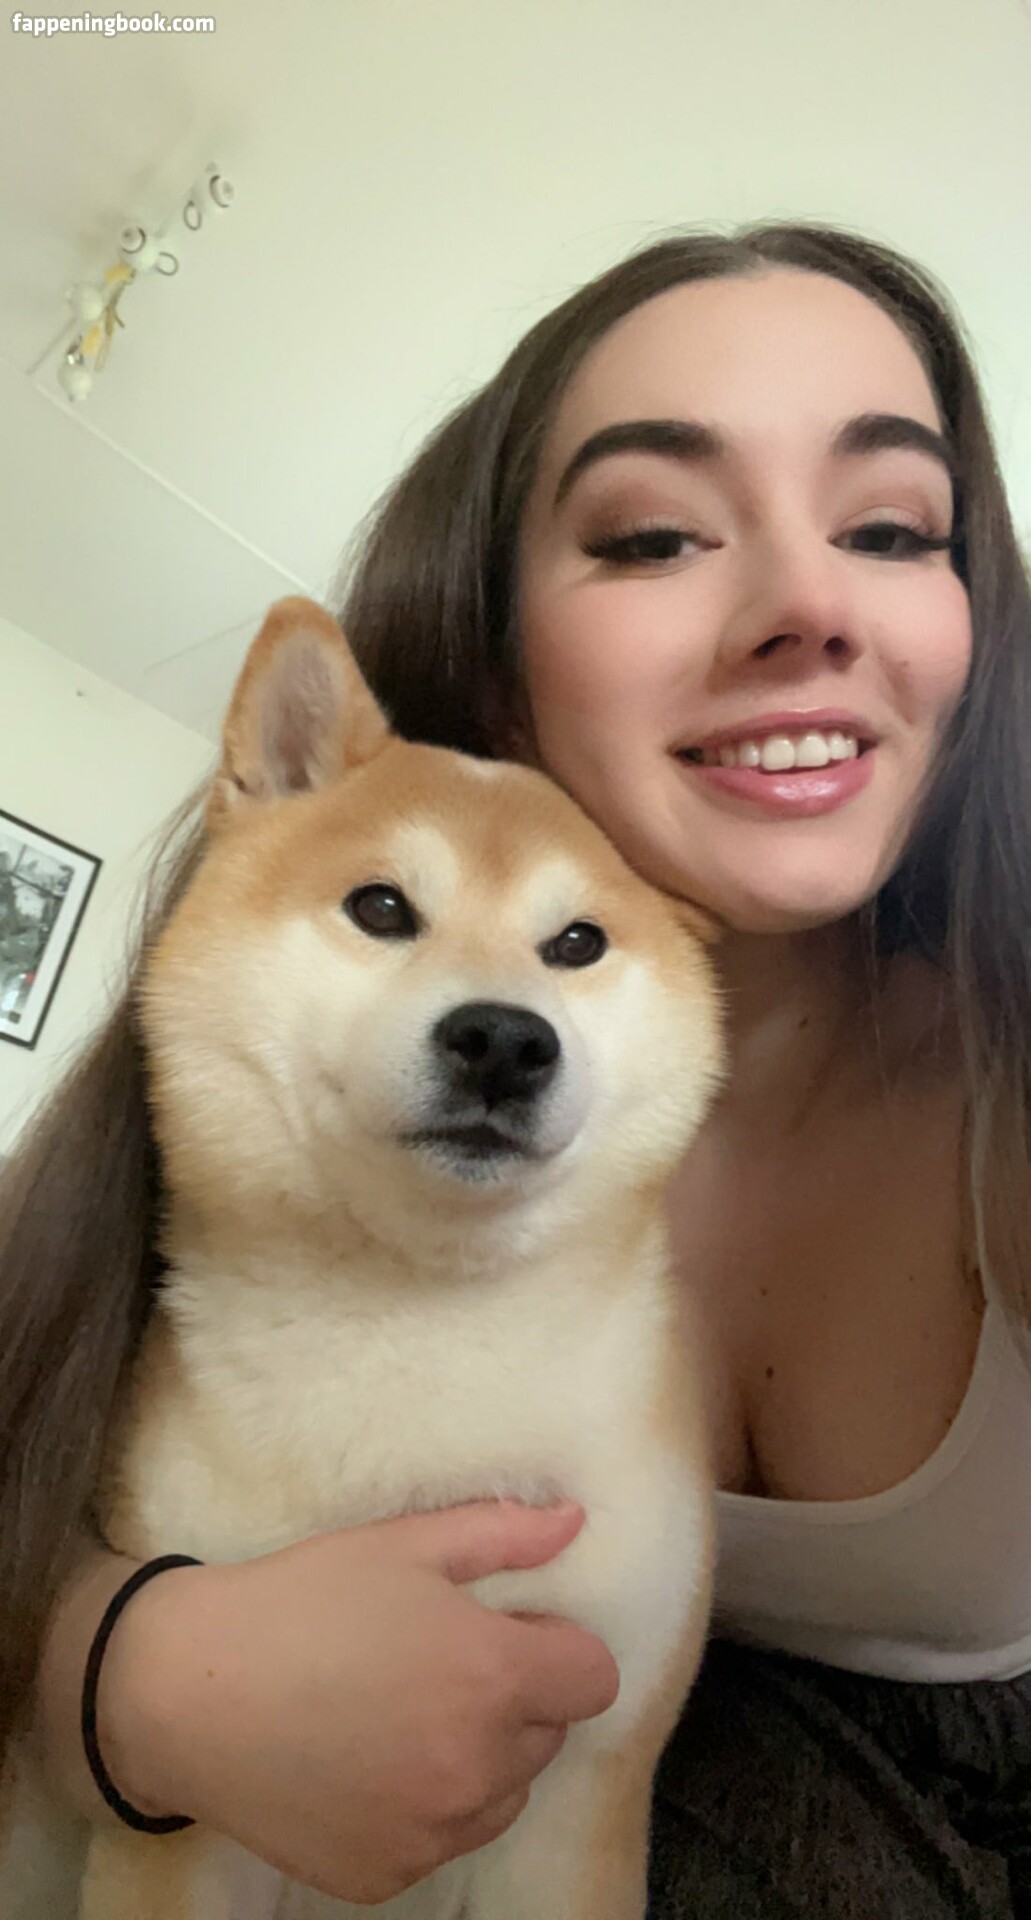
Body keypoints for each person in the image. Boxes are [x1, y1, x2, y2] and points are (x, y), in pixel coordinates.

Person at [3, 221, 1030, 1917]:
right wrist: (128, 1670)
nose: (808, 604)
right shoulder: (243, 1112)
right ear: (490, 644)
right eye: (655, 533)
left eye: (890, 528)